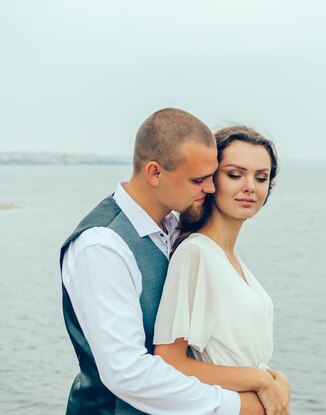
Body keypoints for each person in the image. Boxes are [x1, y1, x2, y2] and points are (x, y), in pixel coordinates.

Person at [60, 109, 265, 415]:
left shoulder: (174, 227)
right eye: (198, 179)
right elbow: (128, 372)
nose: (209, 188)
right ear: (155, 172)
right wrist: (237, 405)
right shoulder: (102, 246)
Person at [153, 126, 290, 415]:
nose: (250, 186)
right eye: (235, 174)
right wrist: (259, 381)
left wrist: (277, 379)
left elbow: (237, 353)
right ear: (210, 181)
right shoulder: (195, 253)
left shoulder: (230, 258)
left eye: (261, 177)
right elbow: (169, 361)